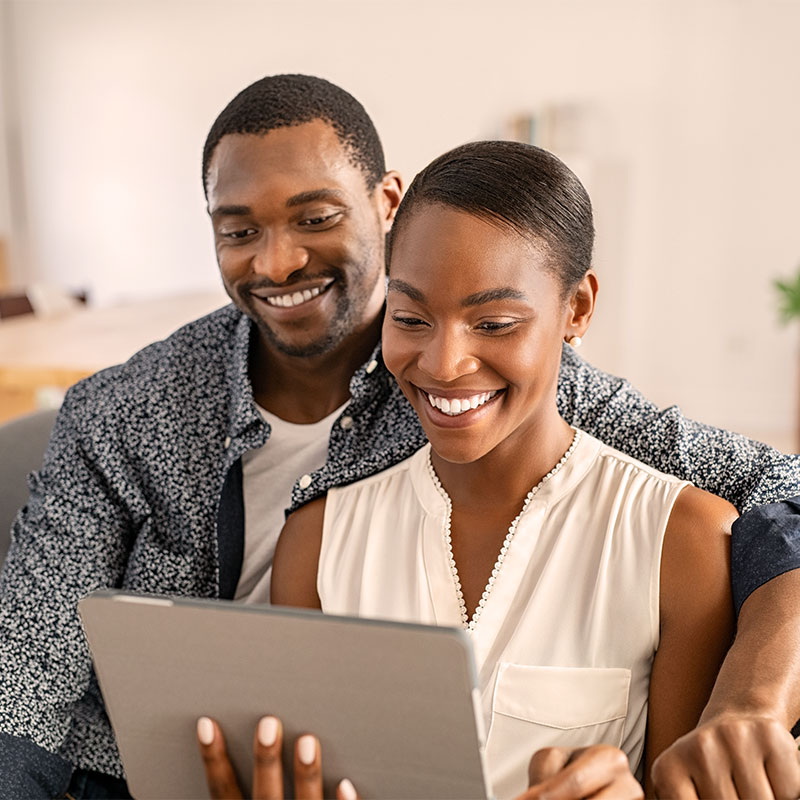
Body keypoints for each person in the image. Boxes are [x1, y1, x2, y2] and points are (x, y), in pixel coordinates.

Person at [0, 74, 798, 799]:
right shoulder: (124, 413)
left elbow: (783, 492)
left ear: (386, 204)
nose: (277, 263)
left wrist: (749, 700)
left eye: (315, 218)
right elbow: (28, 671)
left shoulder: (501, 384)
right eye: (238, 231)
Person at [260, 139, 758, 798]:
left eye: (493, 323)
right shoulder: (317, 544)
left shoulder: (682, 543)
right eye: (410, 318)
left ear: (576, 310)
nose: (443, 363)